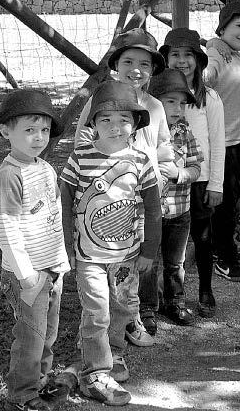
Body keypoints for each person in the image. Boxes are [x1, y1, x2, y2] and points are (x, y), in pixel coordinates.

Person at [60, 80, 162, 406]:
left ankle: (113, 354)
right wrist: (65, 248)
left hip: (127, 257)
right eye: (105, 120)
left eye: (123, 121)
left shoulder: (141, 160)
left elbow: (154, 208)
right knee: (96, 311)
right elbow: (63, 202)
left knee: (121, 308)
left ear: (135, 124)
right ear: (92, 124)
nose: (115, 128)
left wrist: (149, 252)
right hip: (88, 255)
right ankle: (96, 374)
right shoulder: (80, 158)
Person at [74, 26, 172, 345]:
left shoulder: (155, 107)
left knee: (133, 267)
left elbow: (163, 149)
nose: (136, 70)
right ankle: (102, 331)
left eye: (144, 64)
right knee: (106, 266)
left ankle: (131, 321)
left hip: (143, 197)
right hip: (107, 201)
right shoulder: (101, 101)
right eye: (129, 61)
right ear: (116, 64)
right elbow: (84, 145)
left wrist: (162, 176)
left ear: (153, 69)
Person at [0, 89, 71, 411]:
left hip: (51, 267)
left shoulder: (45, 169)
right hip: (29, 274)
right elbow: (6, 229)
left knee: (48, 334)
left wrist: (60, 262)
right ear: (6, 131)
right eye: (29, 130)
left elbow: (52, 219)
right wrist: (26, 276)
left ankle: (42, 382)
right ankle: (22, 395)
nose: (39, 138)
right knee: (30, 338)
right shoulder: (8, 176)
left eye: (45, 130)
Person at [160, 28, 225, 317]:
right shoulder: (157, 95)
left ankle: (205, 290)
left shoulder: (208, 98)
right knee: (166, 240)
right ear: (166, 58)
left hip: (199, 179)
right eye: (175, 54)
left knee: (202, 236)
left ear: (199, 60)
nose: (182, 61)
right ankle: (167, 295)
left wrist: (216, 184)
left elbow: (218, 141)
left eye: (188, 55)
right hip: (165, 181)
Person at [203, 1, 240, 283]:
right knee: (225, 206)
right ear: (222, 27)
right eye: (239, 25)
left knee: (234, 201)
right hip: (224, 144)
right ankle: (224, 258)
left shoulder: (235, 54)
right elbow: (207, 74)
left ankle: (220, 248)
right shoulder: (216, 52)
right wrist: (206, 72)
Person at [139, 68, 203, 329]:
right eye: (170, 101)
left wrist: (179, 173)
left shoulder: (186, 134)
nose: (177, 108)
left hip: (179, 211)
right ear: (155, 103)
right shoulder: (144, 132)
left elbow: (197, 168)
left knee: (176, 263)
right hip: (150, 213)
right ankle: (147, 308)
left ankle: (174, 301)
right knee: (149, 263)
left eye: (182, 103)